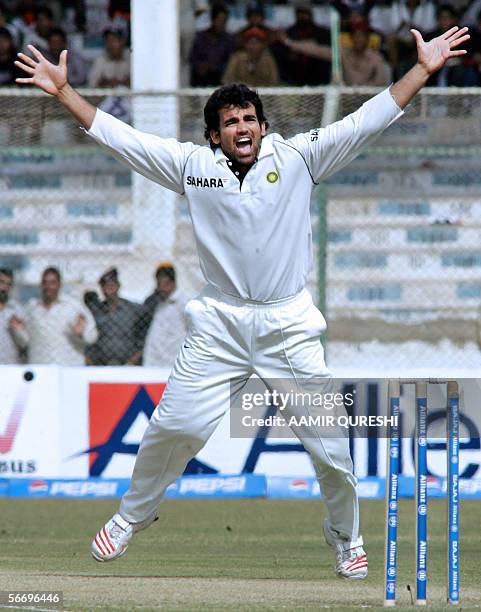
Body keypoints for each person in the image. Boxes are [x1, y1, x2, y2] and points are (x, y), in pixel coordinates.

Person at [15, 23, 469, 577]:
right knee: (172, 429)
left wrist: (422, 70)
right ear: (215, 136)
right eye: (230, 122)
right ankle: (132, 517)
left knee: (332, 453)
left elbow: (364, 122)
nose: (242, 127)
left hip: (288, 326)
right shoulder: (192, 167)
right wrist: (64, 93)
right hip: (221, 325)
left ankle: (345, 537)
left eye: (249, 119)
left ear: (264, 126)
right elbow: (125, 140)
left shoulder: (300, 158)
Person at [25, 266, 97, 365]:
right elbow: (25, 339)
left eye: (52, 283)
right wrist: (18, 330)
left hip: (67, 368)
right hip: (40, 367)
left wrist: (81, 334)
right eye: (45, 282)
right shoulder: (32, 308)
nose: (48, 287)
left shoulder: (73, 307)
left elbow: (92, 336)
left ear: (59, 284)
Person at [85, 267, 142, 366]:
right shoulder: (96, 311)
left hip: (129, 363)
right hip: (101, 364)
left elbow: (142, 333)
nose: (109, 288)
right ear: (101, 289)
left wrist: (136, 357)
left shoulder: (132, 310)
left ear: (118, 286)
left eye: (112, 284)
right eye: (105, 285)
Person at [140, 263, 189, 368]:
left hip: (173, 361)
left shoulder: (183, 303)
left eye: (165, 284)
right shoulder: (156, 302)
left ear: (173, 284)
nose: (162, 288)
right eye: (159, 284)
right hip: (153, 360)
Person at [188, 3, 234, 86]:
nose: (222, 23)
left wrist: (215, 67)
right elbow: (192, 59)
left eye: (224, 20)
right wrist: (201, 65)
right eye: (219, 20)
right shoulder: (200, 37)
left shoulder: (229, 38)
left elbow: (231, 62)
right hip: (201, 78)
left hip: (220, 79)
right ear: (213, 20)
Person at [0, 268, 29, 364]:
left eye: (8, 284)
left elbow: (25, 343)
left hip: (10, 367)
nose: (4, 287)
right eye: (1, 282)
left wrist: (19, 330)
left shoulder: (17, 311)